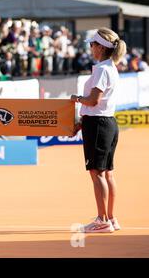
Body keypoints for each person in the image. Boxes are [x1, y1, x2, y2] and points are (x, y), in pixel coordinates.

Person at [70, 27, 126, 233]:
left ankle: (102, 220)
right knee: (107, 174)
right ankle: (110, 218)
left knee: (97, 174)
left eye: (92, 44)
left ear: (101, 48)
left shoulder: (102, 69)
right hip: (107, 123)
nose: (90, 47)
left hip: (98, 125)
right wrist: (80, 123)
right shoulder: (110, 67)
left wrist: (75, 98)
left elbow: (93, 101)